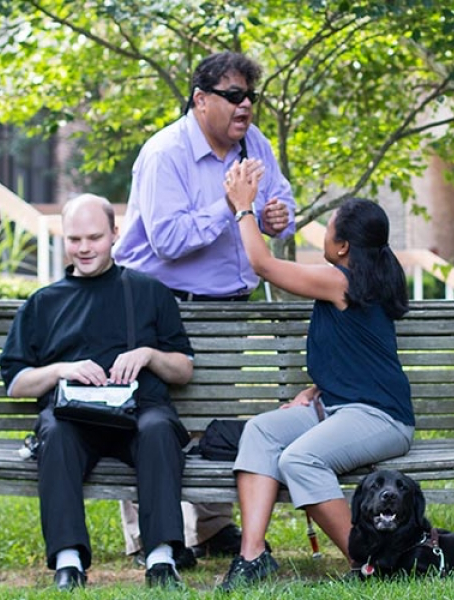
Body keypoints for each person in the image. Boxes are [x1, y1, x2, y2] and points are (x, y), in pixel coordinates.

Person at [112, 51, 296, 560]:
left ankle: (212, 528)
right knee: (151, 414)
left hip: (229, 304)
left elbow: (280, 200)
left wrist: (279, 217)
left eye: (251, 97)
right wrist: (234, 205)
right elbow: (168, 240)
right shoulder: (164, 153)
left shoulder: (253, 145)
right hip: (159, 302)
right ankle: (149, 533)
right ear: (200, 100)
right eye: (233, 96)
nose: (245, 107)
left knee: (213, 416)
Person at [219, 160, 415, 590]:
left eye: (328, 228)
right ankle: (252, 556)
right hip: (342, 407)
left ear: (343, 246)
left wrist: (243, 207)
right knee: (261, 432)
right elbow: (359, 355)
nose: (323, 234)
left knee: (299, 459)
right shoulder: (365, 277)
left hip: (382, 418)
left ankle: (369, 564)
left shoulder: (340, 281)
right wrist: (315, 389)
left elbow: (264, 266)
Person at [0, 194, 194, 590]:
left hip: (140, 412)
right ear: (64, 239)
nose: (84, 248)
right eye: (74, 239)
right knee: (53, 432)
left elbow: (184, 369)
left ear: (114, 235)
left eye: (94, 237)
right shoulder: (42, 303)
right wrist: (60, 370)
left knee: (158, 429)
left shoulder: (149, 292)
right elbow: (17, 383)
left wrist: (148, 355)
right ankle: (68, 563)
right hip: (74, 418)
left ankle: (160, 559)